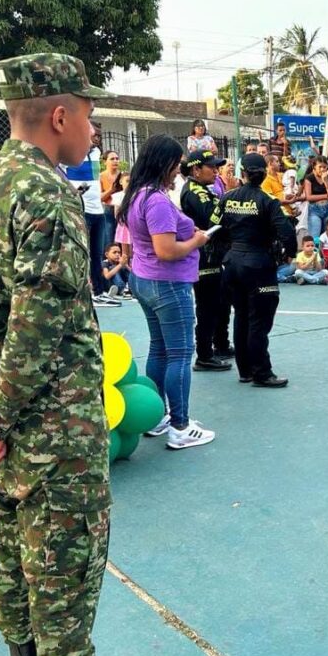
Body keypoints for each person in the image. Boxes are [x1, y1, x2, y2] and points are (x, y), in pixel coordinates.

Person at [0, 53, 173, 656]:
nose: (93, 129)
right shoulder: (46, 193)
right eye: (90, 115)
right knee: (62, 567)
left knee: (10, 554)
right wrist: (0, 424)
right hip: (49, 426)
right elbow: (38, 322)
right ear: (60, 115)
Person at [119, 134, 216, 450]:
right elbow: (166, 250)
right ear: (165, 164)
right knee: (180, 352)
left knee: (160, 349)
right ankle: (180, 425)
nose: (179, 170)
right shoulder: (157, 201)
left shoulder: (137, 195)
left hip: (145, 279)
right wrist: (197, 241)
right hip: (167, 283)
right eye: (176, 165)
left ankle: (158, 416)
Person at [219, 153, 296, 387]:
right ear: (263, 174)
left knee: (241, 315)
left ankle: (245, 370)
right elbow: (287, 232)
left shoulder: (227, 198)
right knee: (259, 320)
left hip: (232, 263)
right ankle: (262, 371)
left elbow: (215, 226)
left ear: (242, 172)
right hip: (258, 263)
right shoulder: (268, 200)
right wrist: (287, 254)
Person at [179, 150, 234, 373]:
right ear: (196, 169)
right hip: (204, 256)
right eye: (211, 166)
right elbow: (214, 216)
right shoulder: (194, 191)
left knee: (221, 302)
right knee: (208, 306)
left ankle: (220, 344)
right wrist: (231, 199)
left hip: (214, 253)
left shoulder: (204, 189)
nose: (215, 170)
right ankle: (204, 354)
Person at [63, 124, 111, 305]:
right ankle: (85, 292)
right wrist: (76, 191)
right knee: (83, 253)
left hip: (98, 210)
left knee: (97, 253)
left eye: (99, 136)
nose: (96, 139)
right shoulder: (71, 154)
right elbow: (61, 176)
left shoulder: (97, 153)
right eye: (93, 135)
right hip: (83, 210)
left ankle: (99, 291)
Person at [304, 158, 328, 238]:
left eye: (324, 167)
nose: (322, 169)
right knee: (315, 235)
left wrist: (326, 182)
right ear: (314, 167)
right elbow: (309, 197)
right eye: (320, 167)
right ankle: (315, 250)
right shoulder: (309, 178)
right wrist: (325, 196)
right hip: (315, 209)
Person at [99, 150, 121, 244]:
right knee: (109, 239)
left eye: (117, 159)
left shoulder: (123, 176)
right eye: (112, 159)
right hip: (107, 210)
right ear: (105, 162)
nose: (115, 161)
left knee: (123, 239)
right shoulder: (100, 176)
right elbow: (99, 198)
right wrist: (111, 190)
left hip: (122, 209)